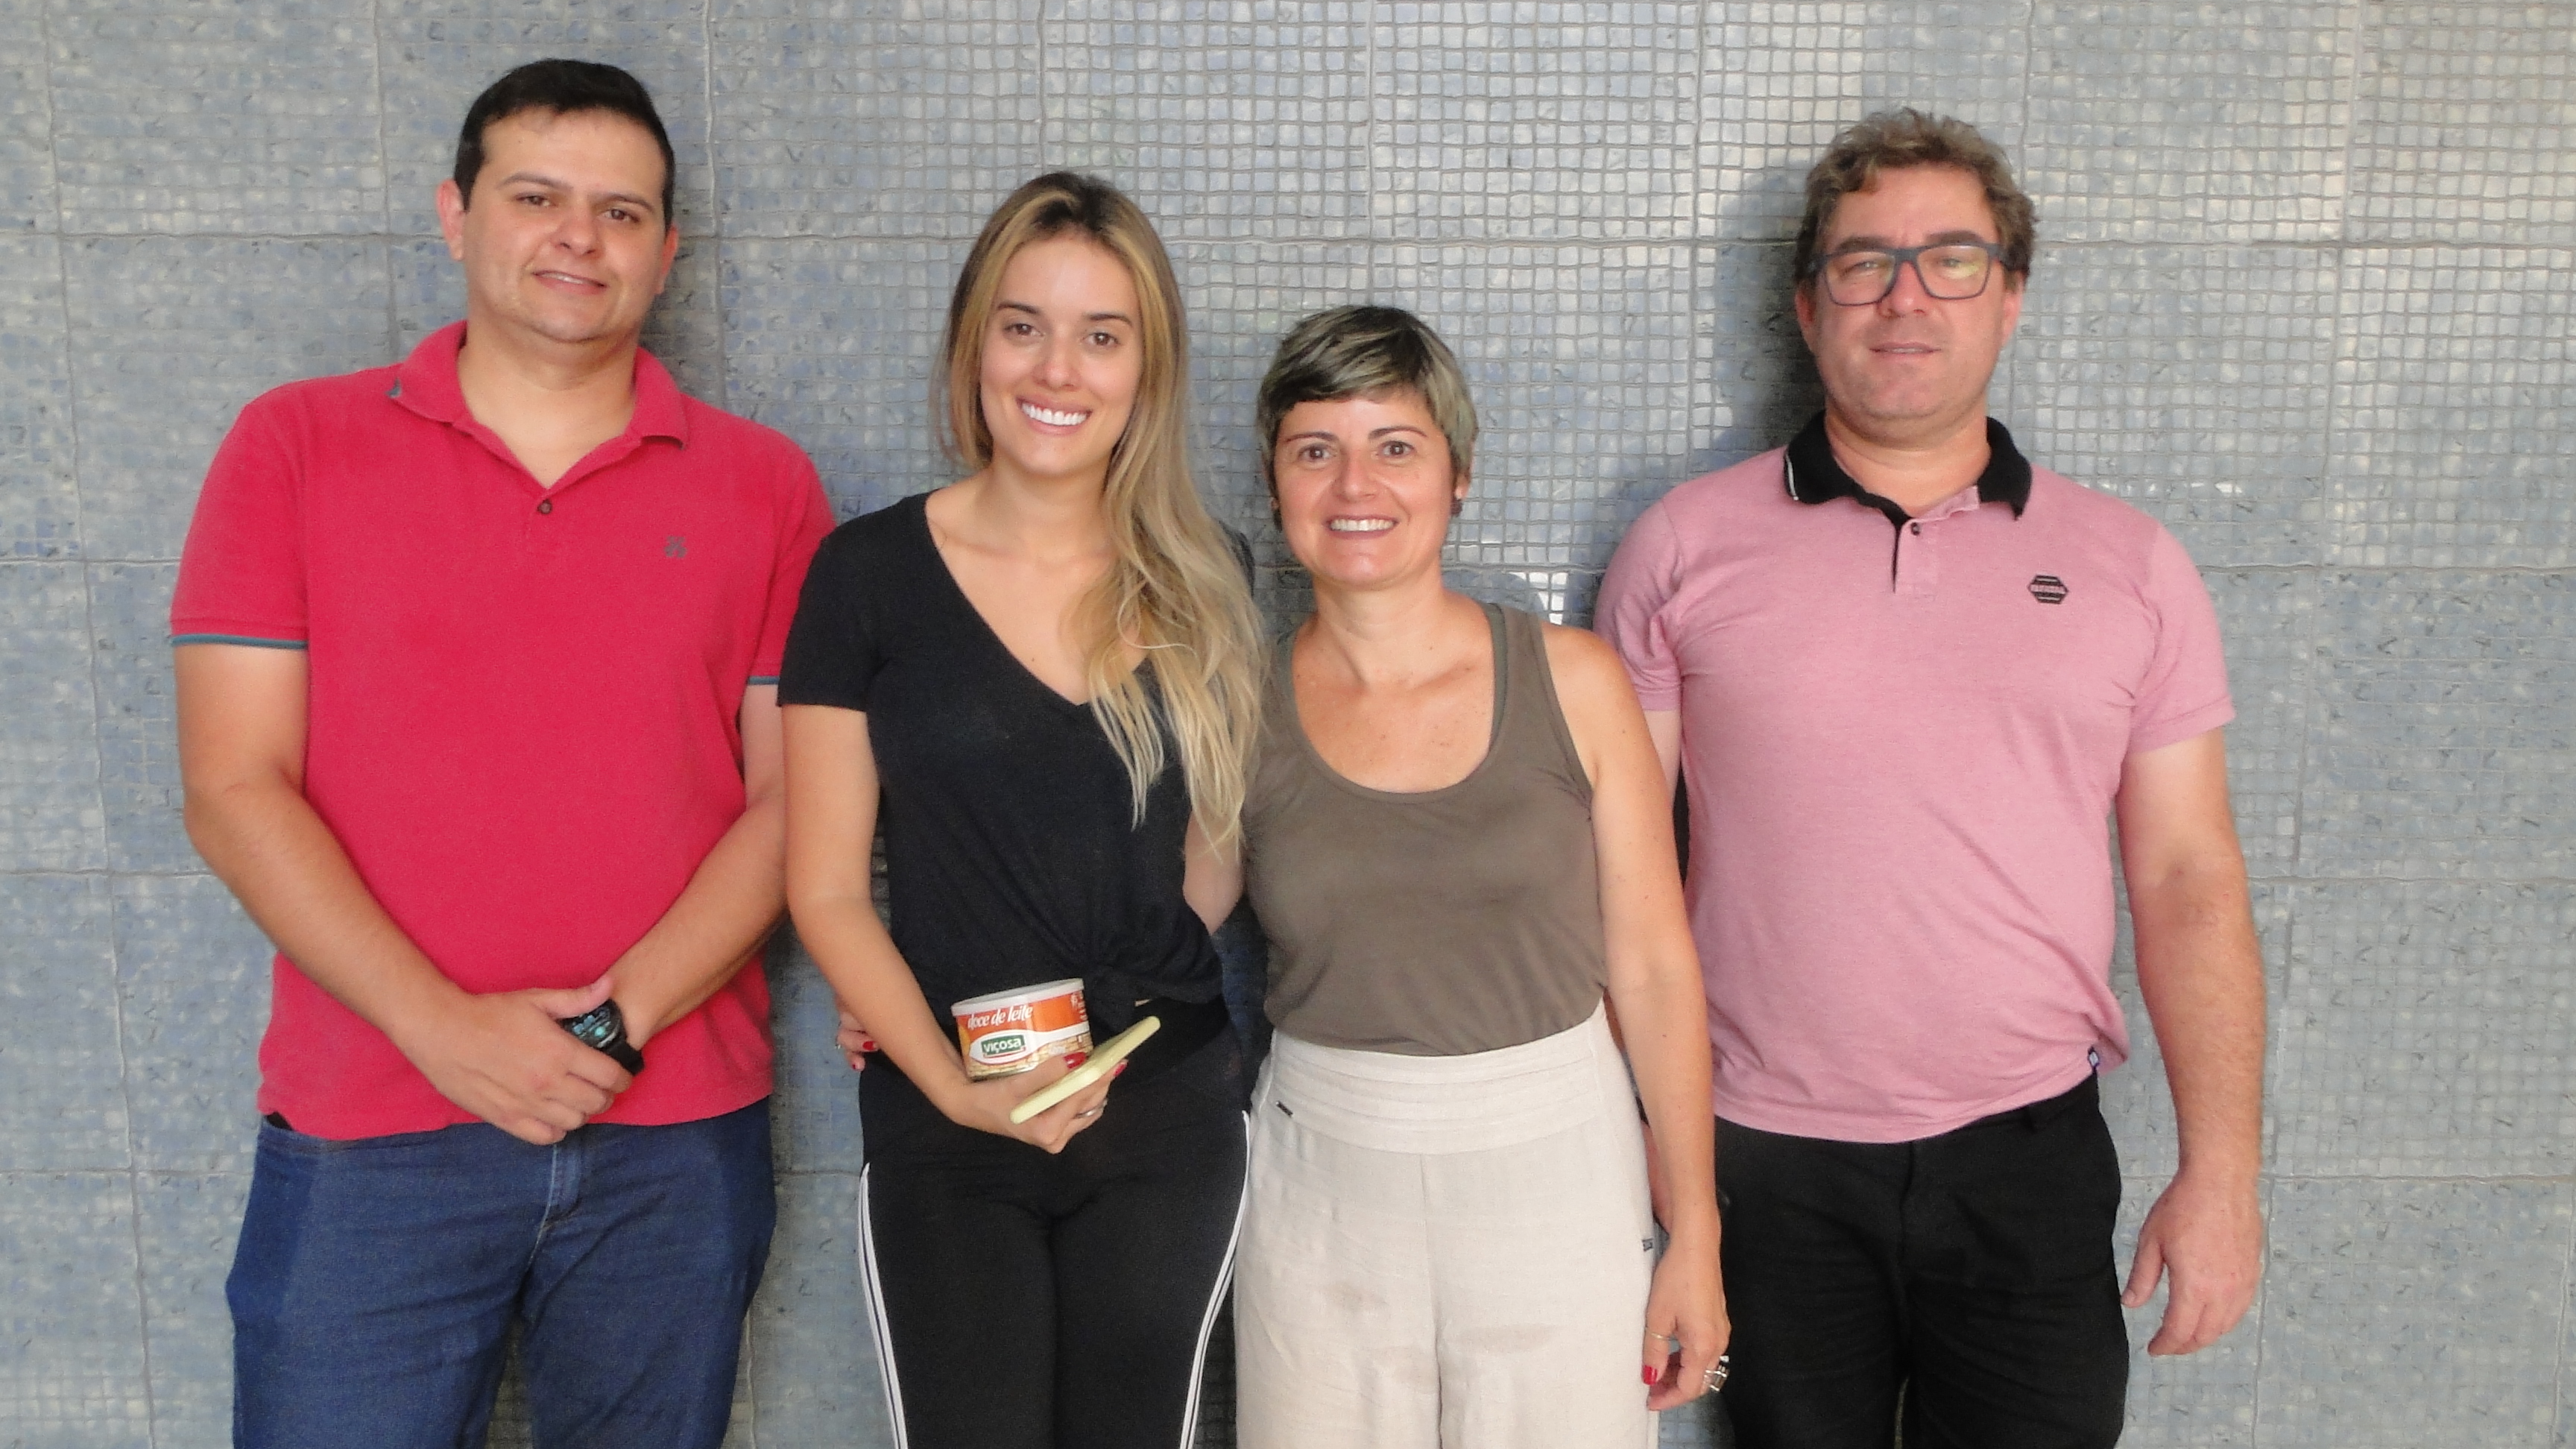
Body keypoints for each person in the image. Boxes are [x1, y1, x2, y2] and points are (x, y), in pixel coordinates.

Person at [171, 59, 829, 1447]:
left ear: (668, 249)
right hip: (371, 1130)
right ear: (455, 213)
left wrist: (609, 1029)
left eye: (622, 212)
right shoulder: (295, 447)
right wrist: (443, 1030)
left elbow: (796, 803)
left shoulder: (765, 486)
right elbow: (233, 789)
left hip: (671, 1134)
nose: (579, 237)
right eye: (537, 197)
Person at [1596, 108, 2267, 1448]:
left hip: (2027, 1156)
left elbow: (2190, 877)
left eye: (1953, 260)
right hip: (1759, 1156)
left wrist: (2224, 1173)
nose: (1906, 298)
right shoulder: (1680, 548)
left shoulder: (2133, 566)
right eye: (1865, 262)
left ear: (2011, 296)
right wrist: (1664, 1173)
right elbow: (1617, 880)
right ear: (1807, 306)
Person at [780, 171, 1264, 1449]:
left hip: (1162, 1106)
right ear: (973, 346)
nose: (1059, 369)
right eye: (1023, 326)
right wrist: (946, 1076)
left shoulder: (1207, 573)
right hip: (950, 1113)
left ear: (1147, 370)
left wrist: (1114, 964)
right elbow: (823, 886)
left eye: (1103, 335)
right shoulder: (865, 575)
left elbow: (1212, 850)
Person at [1231, 305, 1729, 1448]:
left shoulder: (1575, 681)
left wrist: (1695, 1235)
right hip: (1321, 1177)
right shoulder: (1237, 704)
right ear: (1274, 483)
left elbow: (1655, 971)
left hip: (1555, 1167)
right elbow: (1151, 920)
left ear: (1458, 474)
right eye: (1316, 449)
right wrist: (951, 981)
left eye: (1396, 446)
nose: (1355, 484)